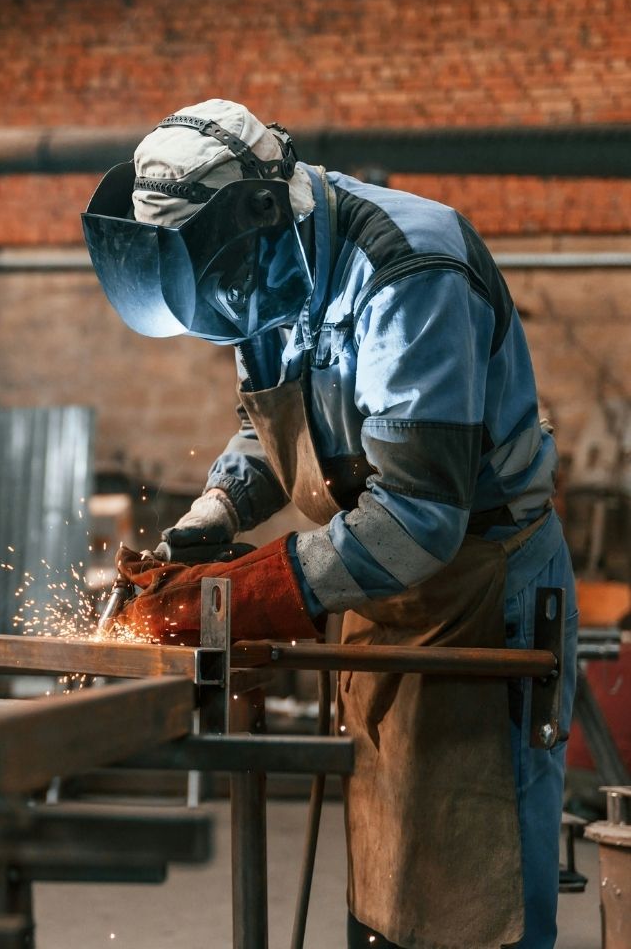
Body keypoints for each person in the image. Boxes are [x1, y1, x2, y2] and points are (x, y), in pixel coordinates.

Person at [81, 99, 578, 949]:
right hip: (380, 592)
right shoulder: (260, 268)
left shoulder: (408, 271)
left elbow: (420, 519)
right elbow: (268, 422)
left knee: (473, 888)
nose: (231, 310)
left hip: (478, 592)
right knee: (388, 879)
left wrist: (241, 593)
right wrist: (209, 521)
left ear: (260, 212)